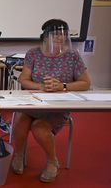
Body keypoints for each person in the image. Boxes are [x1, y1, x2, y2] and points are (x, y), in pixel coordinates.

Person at [11, 19, 91, 182]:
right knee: (20, 119)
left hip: (57, 106)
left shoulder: (73, 56)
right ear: (45, 36)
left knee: (39, 127)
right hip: (34, 103)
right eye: (55, 34)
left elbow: (85, 84)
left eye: (63, 34)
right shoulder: (33, 53)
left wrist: (62, 86)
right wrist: (40, 86)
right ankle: (18, 155)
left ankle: (52, 161)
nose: (59, 38)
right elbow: (24, 79)